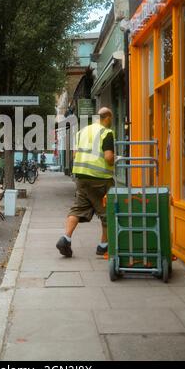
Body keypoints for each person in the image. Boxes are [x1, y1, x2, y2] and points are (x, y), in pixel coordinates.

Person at [56, 107, 115, 258]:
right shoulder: (107, 133)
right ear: (107, 118)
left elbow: (75, 154)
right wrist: (117, 159)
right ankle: (103, 246)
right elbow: (108, 157)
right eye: (111, 118)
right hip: (100, 178)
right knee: (107, 211)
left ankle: (66, 238)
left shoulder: (82, 132)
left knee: (78, 208)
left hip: (81, 177)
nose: (111, 122)